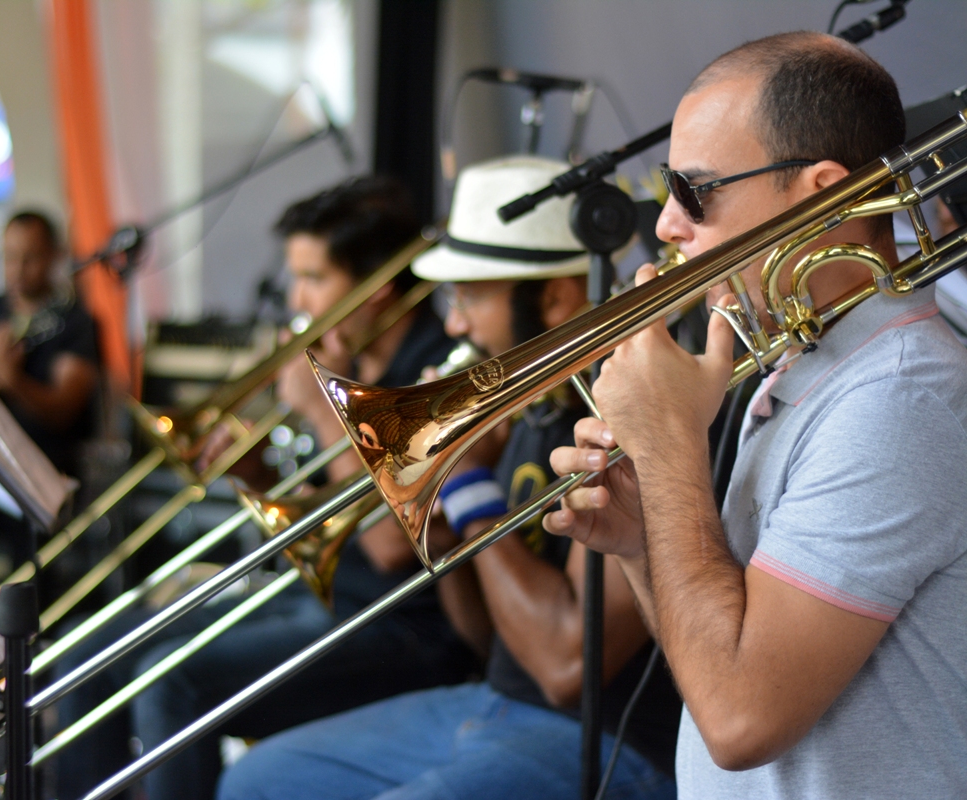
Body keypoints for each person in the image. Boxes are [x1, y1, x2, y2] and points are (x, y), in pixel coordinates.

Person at [543, 32, 967, 797]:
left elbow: (740, 720)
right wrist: (645, 541)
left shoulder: (899, 397)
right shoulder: (807, 365)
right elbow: (723, 639)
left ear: (822, 192)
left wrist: (671, 449)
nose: (667, 224)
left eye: (694, 191)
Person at [218, 156, 680, 800]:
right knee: (255, 781)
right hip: (491, 699)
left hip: (604, 740)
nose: (455, 325)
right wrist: (445, 529)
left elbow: (566, 667)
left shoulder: (617, 414)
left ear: (555, 296)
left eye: (470, 297)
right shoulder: (523, 406)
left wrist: (468, 493)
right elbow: (484, 637)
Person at [55, 177, 474, 800]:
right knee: (85, 660)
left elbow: (390, 545)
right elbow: (331, 513)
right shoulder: (355, 362)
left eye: (314, 278)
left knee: (171, 684)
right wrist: (259, 476)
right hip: (329, 598)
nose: (299, 300)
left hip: (404, 626)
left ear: (378, 288)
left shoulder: (437, 371)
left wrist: (322, 414)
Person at [0, 210, 100, 479]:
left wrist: (12, 380)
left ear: (54, 255)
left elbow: (66, 410)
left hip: (43, 474)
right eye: (10, 257)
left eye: (31, 258)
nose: (18, 269)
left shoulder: (74, 322)